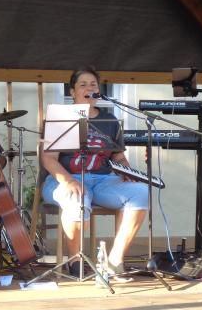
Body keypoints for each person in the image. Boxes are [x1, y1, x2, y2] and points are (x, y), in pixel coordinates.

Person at [41, 67, 149, 281]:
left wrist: (128, 172)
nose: (89, 88)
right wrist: (69, 180)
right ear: (72, 92)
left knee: (140, 192)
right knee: (77, 196)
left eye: (93, 85)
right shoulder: (60, 118)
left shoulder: (110, 120)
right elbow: (48, 159)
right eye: (83, 85)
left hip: (103, 181)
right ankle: (75, 261)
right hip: (63, 179)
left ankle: (114, 262)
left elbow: (118, 157)